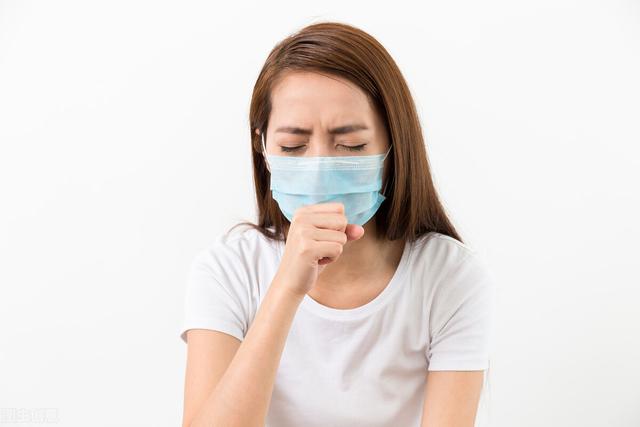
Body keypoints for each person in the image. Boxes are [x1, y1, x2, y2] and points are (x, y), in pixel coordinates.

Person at [180, 21, 495, 427]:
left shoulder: (448, 277)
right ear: (263, 147)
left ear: (393, 145)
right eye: (293, 146)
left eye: (351, 145)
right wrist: (286, 289)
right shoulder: (227, 271)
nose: (319, 169)